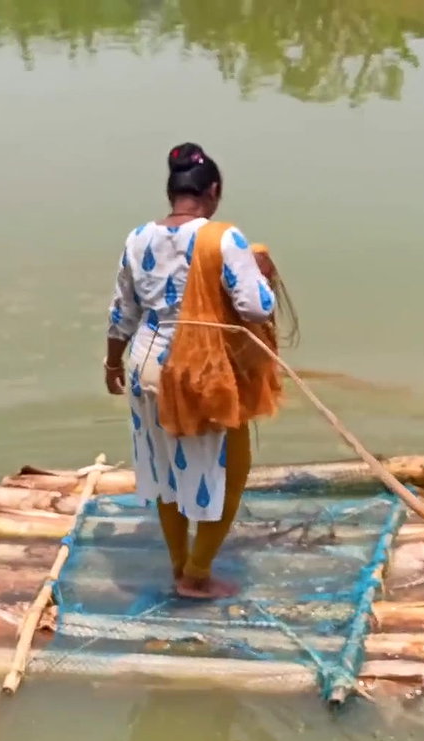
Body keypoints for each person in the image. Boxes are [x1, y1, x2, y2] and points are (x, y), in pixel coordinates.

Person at [103, 142, 290, 600]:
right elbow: (253, 306)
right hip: (198, 370)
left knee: (168, 471)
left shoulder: (137, 237)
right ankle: (197, 574)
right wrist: (263, 272)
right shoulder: (223, 238)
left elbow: (121, 310)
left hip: (145, 366)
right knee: (229, 470)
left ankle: (177, 565)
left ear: (172, 192)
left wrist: (111, 361)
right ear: (214, 190)